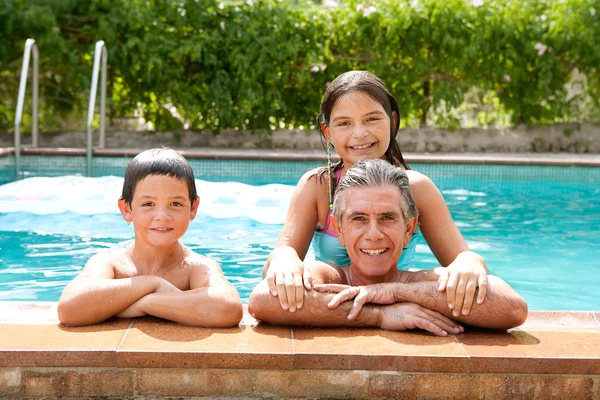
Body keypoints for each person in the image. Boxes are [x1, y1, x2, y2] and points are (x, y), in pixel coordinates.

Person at [263, 70, 489, 318]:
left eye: (371, 119)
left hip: (399, 301)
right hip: (335, 310)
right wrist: (283, 257)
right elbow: (276, 267)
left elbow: (460, 262)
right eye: (344, 123)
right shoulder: (317, 187)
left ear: (392, 121)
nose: (359, 133)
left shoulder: (416, 189)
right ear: (328, 133)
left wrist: (470, 261)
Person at [249, 159, 528, 334]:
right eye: (359, 219)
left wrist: (392, 291)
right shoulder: (326, 276)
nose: (374, 234)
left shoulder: (422, 281)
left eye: (387, 218)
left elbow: (513, 308)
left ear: (408, 230)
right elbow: (262, 300)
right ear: (340, 231)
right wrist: (381, 315)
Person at [57, 148, 243, 327]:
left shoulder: (197, 267)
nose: (162, 215)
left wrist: (144, 303)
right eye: (148, 204)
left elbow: (229, 308)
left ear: (193, 208)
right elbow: (69, 308)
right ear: (127, 209)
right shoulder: (111, 263)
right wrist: (153, 283)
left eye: (175, 203)